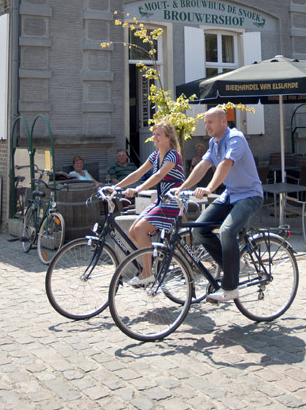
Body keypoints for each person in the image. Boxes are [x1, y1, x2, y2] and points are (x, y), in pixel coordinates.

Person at [179, 106, 264, 303]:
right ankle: (232, 265)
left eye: (210, 122)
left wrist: (209, 188)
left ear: (223, 122)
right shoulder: (213, 142)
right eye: (205, 122)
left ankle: (231, 287)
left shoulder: (236, 138)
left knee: (227, 231)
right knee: (199, 230)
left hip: (249, 195)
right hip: (230, 194)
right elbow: (202, 166)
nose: (206, 126)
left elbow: (226, 163)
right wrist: (182, 187)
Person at [111, 121, 186, 285]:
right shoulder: (155, 155)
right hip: (161, 201)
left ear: (168, 138)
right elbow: (137, 173)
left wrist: (138, 190)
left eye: (158, 134)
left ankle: (147, 273)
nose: (154, 137)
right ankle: (153, 259)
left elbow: (158, 176)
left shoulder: (173, 155)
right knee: (133, 232)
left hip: (173, 203)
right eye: (153, 134)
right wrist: (115, 187)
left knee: (139, 229)